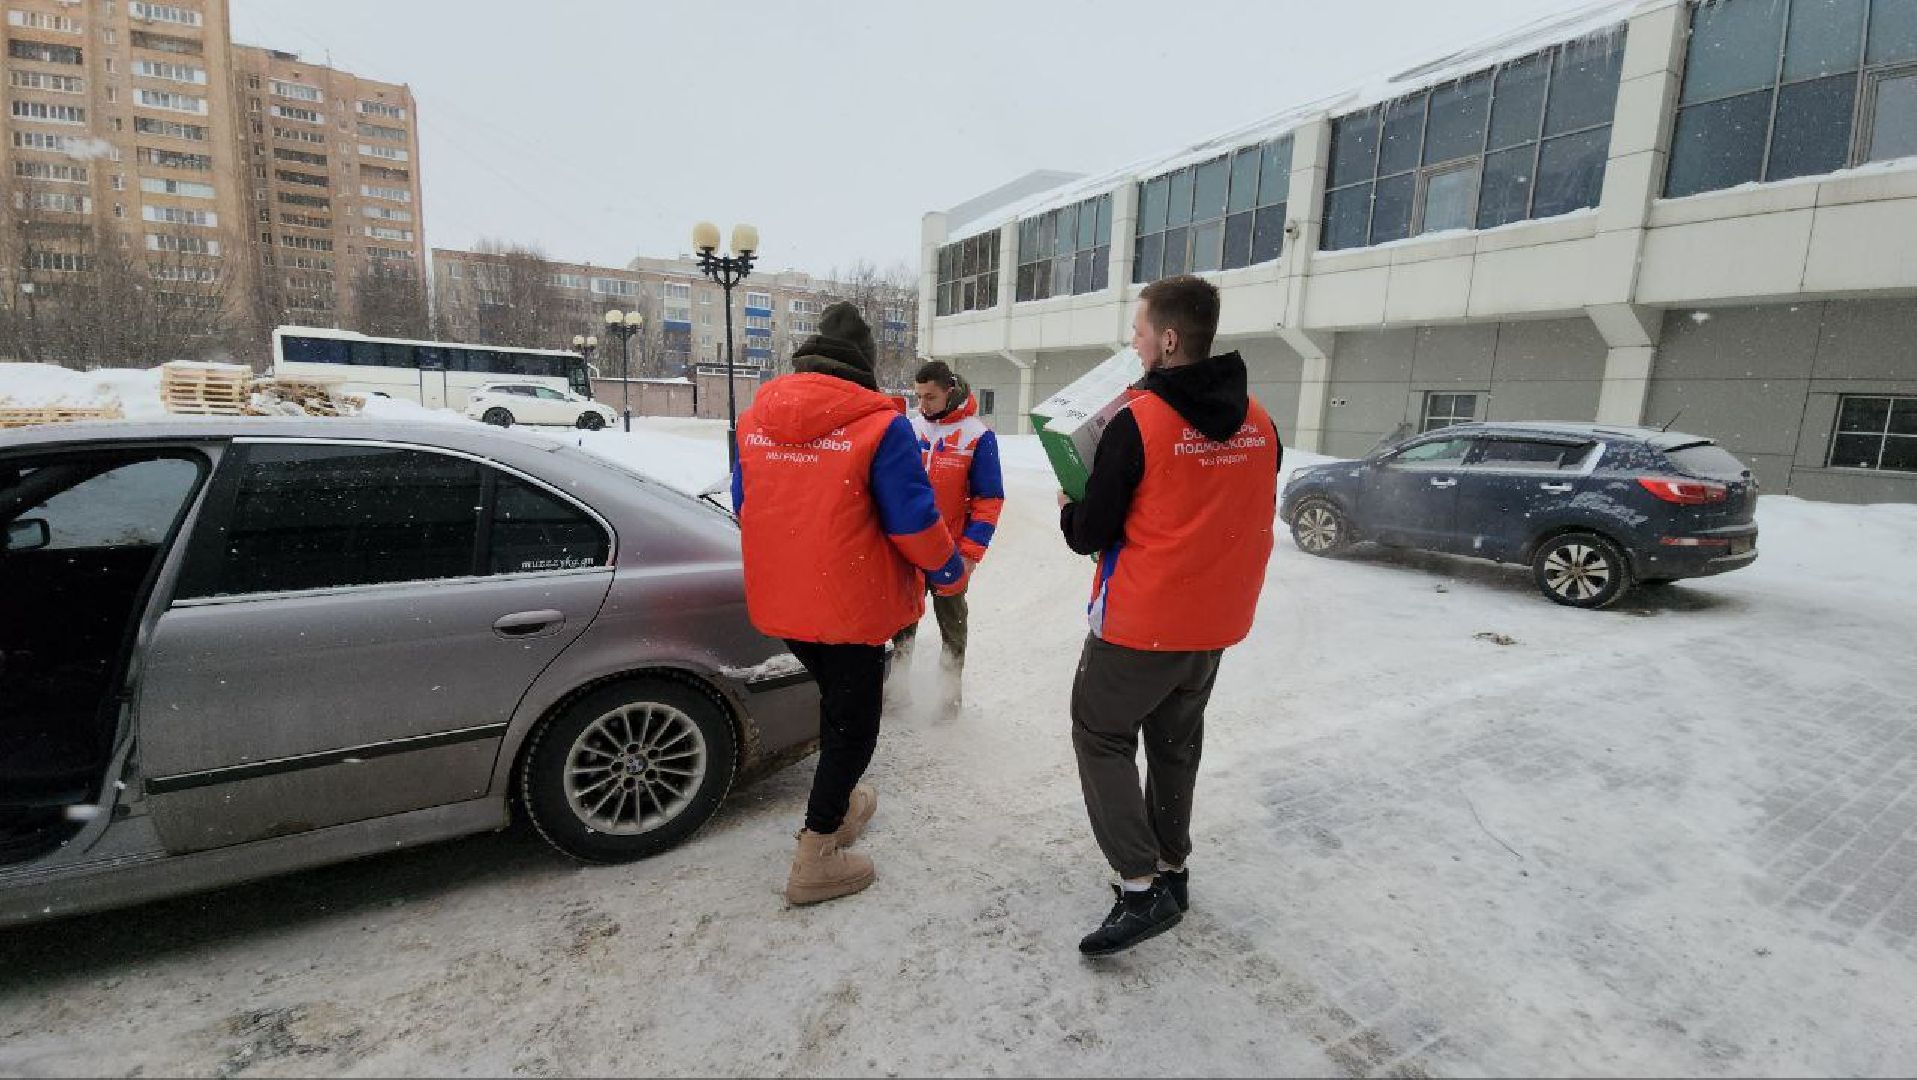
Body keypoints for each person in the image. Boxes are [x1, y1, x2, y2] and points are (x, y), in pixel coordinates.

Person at [1056, 275, 1281, 956]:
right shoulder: (1260, 419)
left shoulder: (1139, 421)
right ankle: (1172, 868)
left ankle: (1138, 884)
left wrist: (1073, 502)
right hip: (1212, 623)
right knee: (1175, 742)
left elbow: (1088, 533)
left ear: (1169, 339)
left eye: (1139, 330)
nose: (1134, 341)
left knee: (1100, 734)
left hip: (1140, 623)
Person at [731, 301, 968, 906]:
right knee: (855, 723)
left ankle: (834, 809)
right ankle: (816, 853)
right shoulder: (879, 426)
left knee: (836, 704)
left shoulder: (755, 420)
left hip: (784, 605)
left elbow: (744, 500)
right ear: (861, 366)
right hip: (851, 606)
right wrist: (947, 568)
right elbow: (913, 521)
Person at [887, 360, 1004, 720]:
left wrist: (970, 553)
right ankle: (896, 692)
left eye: (931, 397)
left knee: (952, 626)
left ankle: (949, 699)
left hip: (951, 554)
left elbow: (989, 501)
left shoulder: (977, 435)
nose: (924, 404)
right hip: (909, 549)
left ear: (949, 391)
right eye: (919, 396)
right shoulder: (910, 429)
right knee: (901, 622)